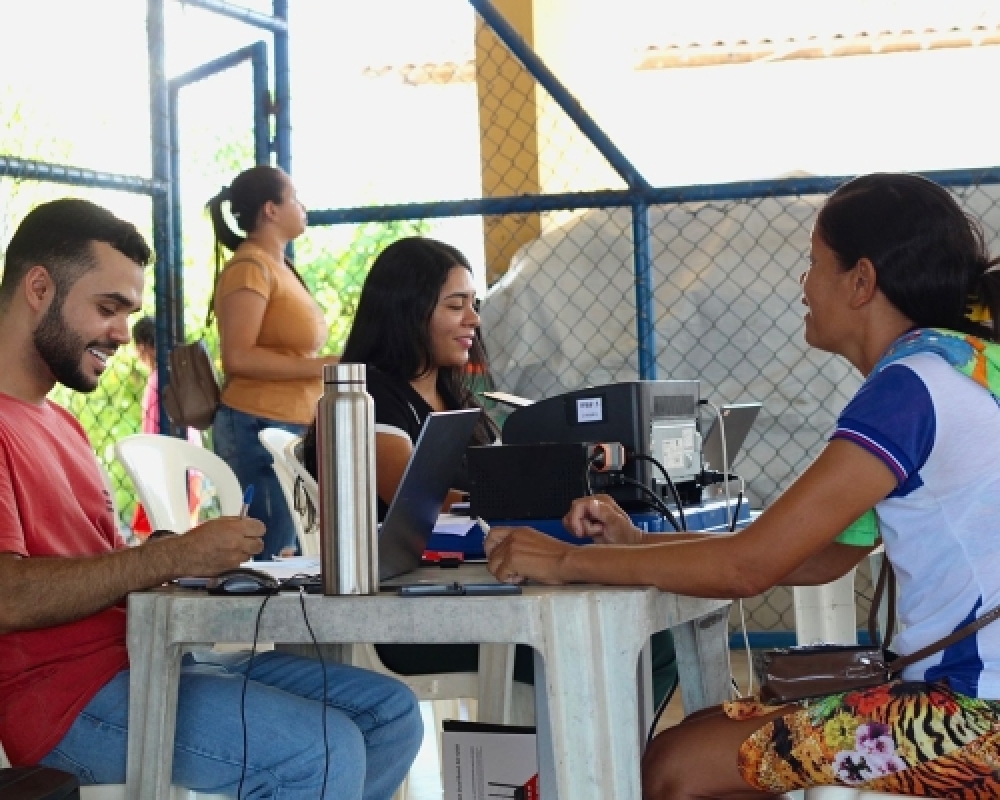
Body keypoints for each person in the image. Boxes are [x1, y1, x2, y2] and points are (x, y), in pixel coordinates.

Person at [485, 173, 1000, 798]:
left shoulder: (907, 391)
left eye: (814, 265)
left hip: (969, 720)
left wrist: (568, 560)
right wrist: (632, 541)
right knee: (703, 735)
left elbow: (748, 568)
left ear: (862, 281)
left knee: (674, 768)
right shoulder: (968, 367)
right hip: (958, 702)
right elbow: (819, 556)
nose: (804, 286)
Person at [0, 198, 422, 799]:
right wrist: (168, 558)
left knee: (389, 713)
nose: (122, 332)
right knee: (320, 754)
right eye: (107, 308)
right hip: (65, 704)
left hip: (146, 662)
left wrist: (194, 556)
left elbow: (105, 568)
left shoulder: (61, 424)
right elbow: (8, 595)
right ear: (38, 287)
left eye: (127, 312)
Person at [207, 165, 338, 559]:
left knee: (292, 545)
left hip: (289, 423)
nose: (303, 206)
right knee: (271, 551)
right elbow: (238, 357)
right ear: (271, 210)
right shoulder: (250, 268)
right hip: (258, 423)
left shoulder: (278, 267)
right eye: (294, 197)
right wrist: (323, 366)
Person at [130, 315, 202, 537]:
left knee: (151, 533)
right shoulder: (177, 376)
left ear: (142, 347)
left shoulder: (156, 382)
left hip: (164, 469)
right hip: (193, 466)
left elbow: (152, 433)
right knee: (183, 529)